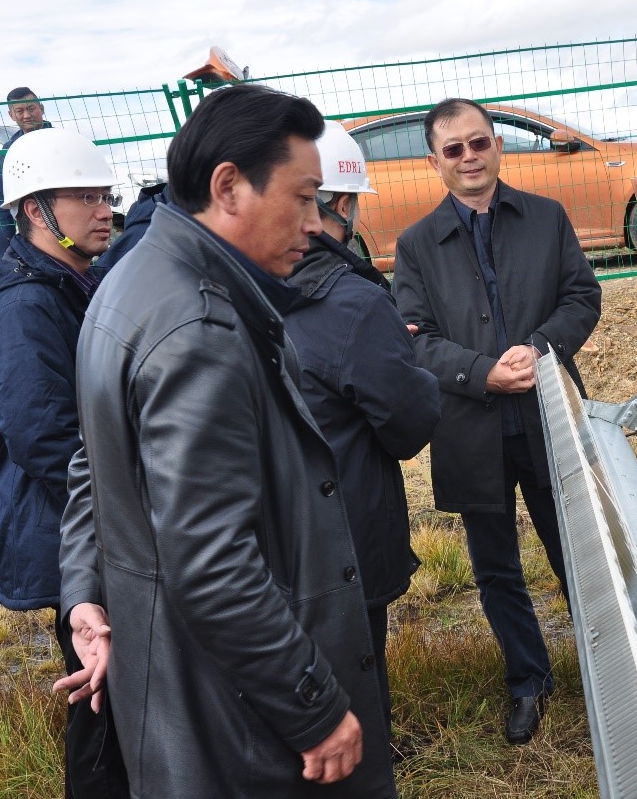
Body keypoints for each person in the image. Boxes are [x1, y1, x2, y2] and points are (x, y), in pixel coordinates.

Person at [55, 84, 393, 795]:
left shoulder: (131, 280)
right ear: (229, 186)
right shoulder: (199, 330)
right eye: (303, 199)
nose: (316, 224)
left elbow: (96, 459)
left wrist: (83, 591)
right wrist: (313, 708)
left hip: (179, 687)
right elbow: (211, 561)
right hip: (237, 720)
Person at [393, 97, 601, 745]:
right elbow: (414, 340)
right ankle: (527, 679)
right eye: (453, 149)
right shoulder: (415, 245)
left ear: (498, 145)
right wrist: (482, 372)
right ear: (435, 161)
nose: (469, 157)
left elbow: (582, 297)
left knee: (578, 552)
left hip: (548, 415)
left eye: (478, 142)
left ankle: (607, 668)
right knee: (495, 567)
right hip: (471, 428)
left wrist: (539, 349)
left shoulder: (546, 217)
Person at [0, 127, 127, 795]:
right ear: (35, 210)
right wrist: (130, 508)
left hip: (81, 518)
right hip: (66, 526)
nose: (104, 210)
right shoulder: (21, 306)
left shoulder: (66, 280)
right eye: (85, 198)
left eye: (106, 195)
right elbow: (45, 438)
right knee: (106, 696)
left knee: (119, 691)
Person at [285, 120, 440, 749]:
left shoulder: (233, 285)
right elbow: (407, 426)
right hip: (346, 529)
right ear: (341, 204)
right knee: (356, 667)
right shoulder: (355, 302)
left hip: (267, 541)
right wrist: (408, 368)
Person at [0, 88, 53, 235]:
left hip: (62, 216)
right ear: (11, 115)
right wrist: (8, 234)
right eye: (19, 111)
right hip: (28, 223)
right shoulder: (9, 148)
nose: (27, 115)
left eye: (31, 108)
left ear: (41, 108)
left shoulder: (60, 139)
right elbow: (3, 193)